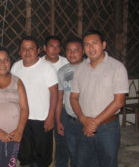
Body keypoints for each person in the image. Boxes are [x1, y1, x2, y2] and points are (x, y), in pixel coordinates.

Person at [70, 30, 129, 167]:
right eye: (86, 45)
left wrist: (95, 122)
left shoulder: (117, 67)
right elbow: (74, 98)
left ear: (103, 45)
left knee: (107, 163)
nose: (91, 48)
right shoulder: (80, 69)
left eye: (94, 43)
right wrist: (83, 119)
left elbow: (119, 101)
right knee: (82, 163)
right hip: (84, 125)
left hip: (107, 128)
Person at [11, 36, 58, 167]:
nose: (27, 52)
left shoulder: (47, 68)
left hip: (42, 120)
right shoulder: (16, 67)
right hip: (22, 119)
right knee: (25, 155)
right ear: (19, 52)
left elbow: (54, 94)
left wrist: (50, 117)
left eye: (31, 48)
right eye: (24, 49)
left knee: (42, 157)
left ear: (38, 50)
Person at [56, 37, 84, 167]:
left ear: (83, 51)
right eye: (69, 50)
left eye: (76, 50)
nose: (72, 53)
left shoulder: (89, 67)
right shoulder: (62, 71)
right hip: (68, 116)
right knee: (68, 151)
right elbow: (60, 97)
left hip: (86, 118)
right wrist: (58, 120)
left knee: (82, 155)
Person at [41, 35, 69, 167]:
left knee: (61, 140)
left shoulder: (66, 63)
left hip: (62, 107)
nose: (54, 49)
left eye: (57, 46)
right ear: (45, 48)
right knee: (45, 141)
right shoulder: (38, 63)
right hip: (43, 107)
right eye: (51, 46)